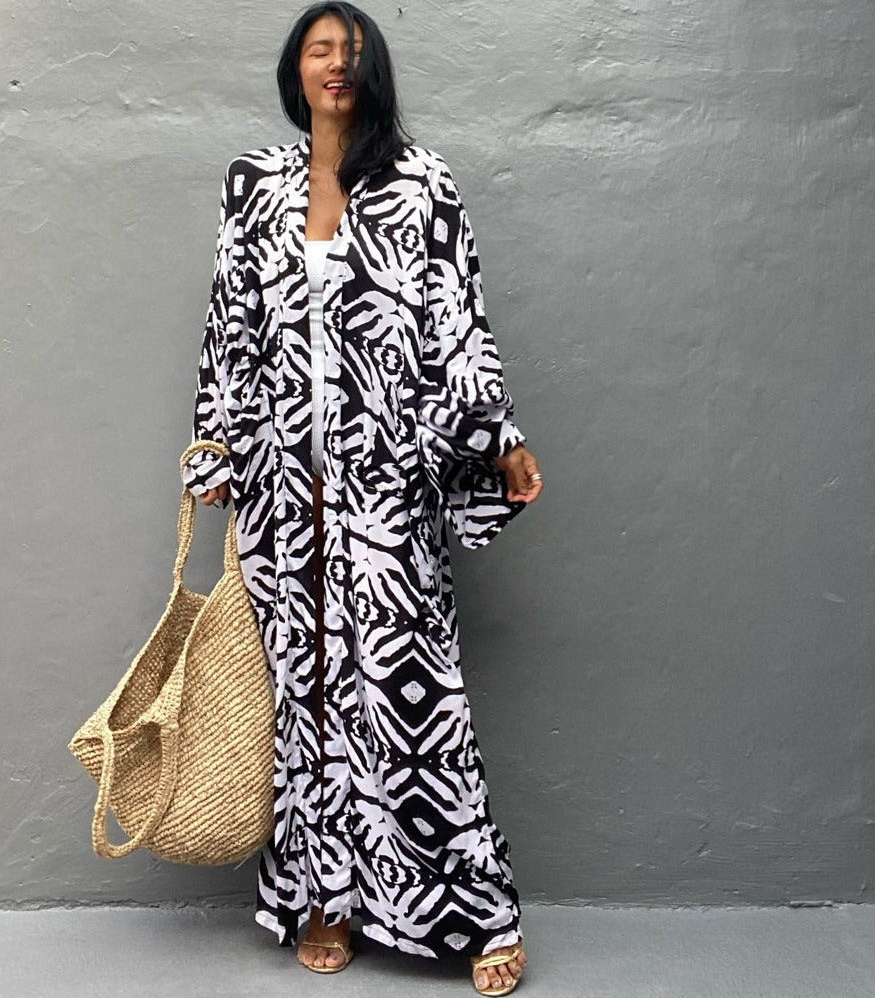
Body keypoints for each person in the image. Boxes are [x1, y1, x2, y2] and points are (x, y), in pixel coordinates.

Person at [183, 3, 543, 994]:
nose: (335, 64)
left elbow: (459, 323)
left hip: (385, 484)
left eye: (350, 51)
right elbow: (228, 324)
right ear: (295, 69)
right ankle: (324, 901)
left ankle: (478, 909)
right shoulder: (253, 182)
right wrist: (214, 445)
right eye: (318, 49)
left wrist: (499, 436)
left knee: (412, 699)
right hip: (280, 492)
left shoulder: (421, 184)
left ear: (373, 69)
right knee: (302, 701)